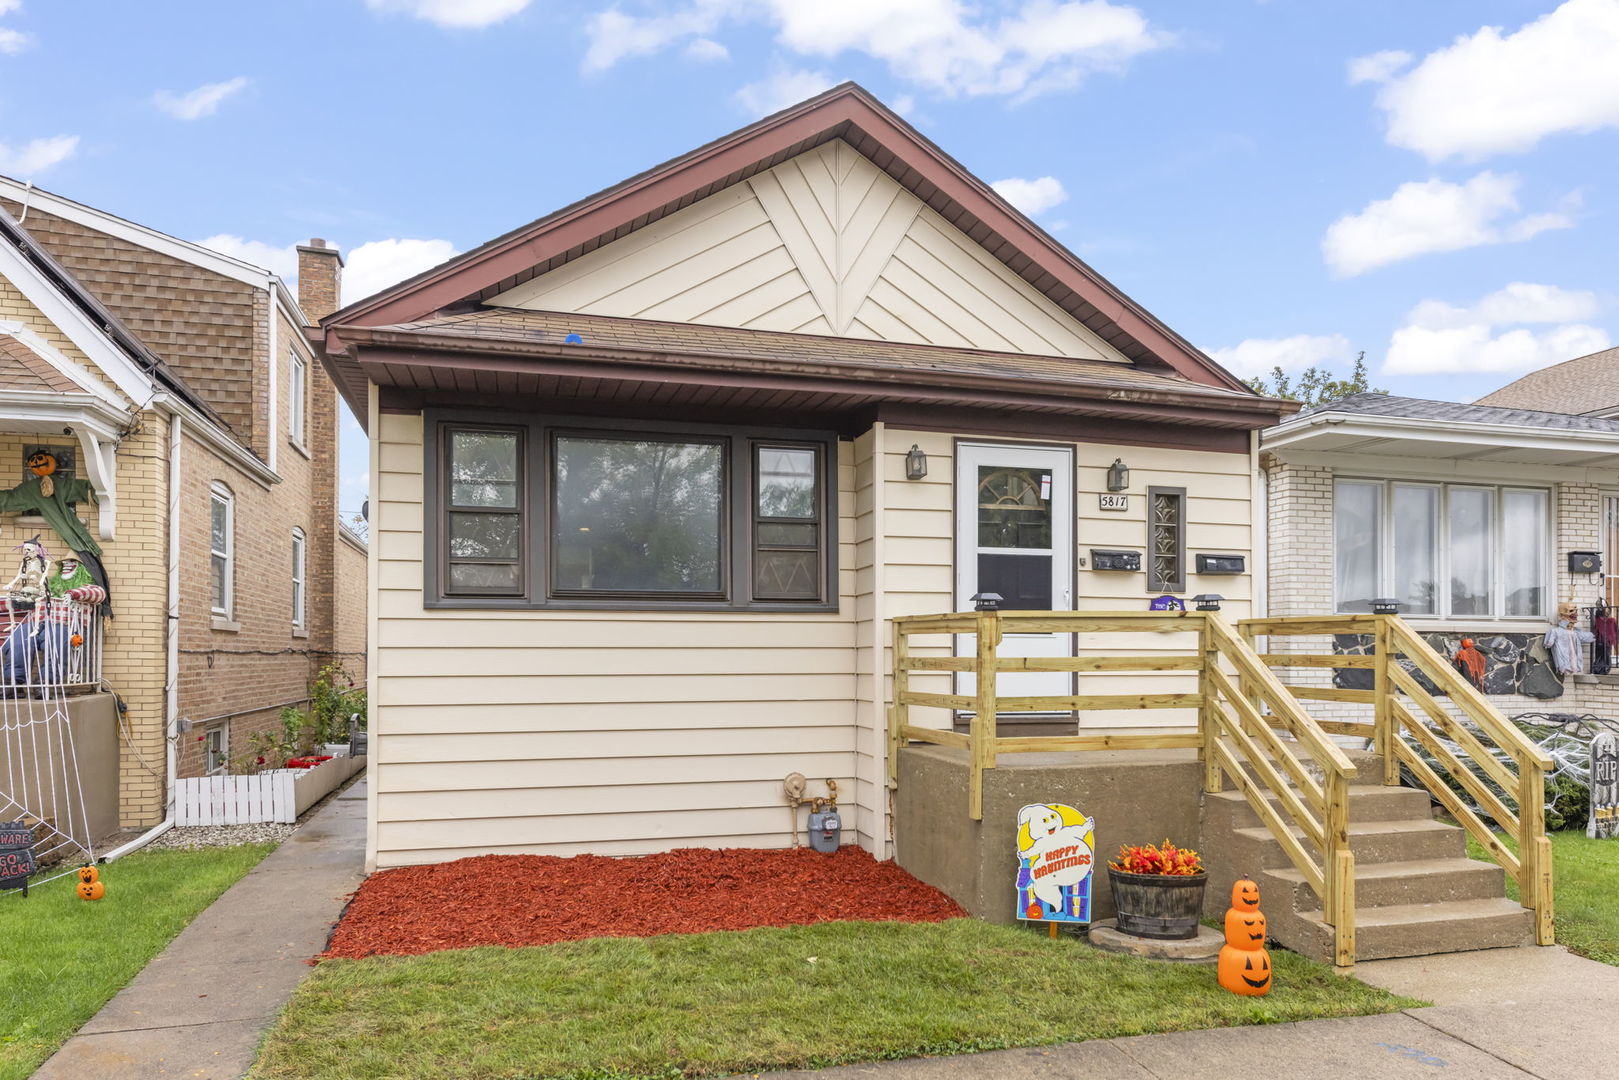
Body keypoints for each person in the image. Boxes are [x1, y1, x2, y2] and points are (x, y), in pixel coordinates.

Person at [2, 553, 105, 689]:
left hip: (65, 625)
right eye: (64, 563)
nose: (66, 565)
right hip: (37, 623)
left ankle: (45, 682)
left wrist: (73, 593)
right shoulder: (49, 586)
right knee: (18, 640)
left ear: (81, 569)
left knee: (56, 642)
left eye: (72, 562)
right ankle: (13, 683)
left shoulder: (88, 586)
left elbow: (99, 594)